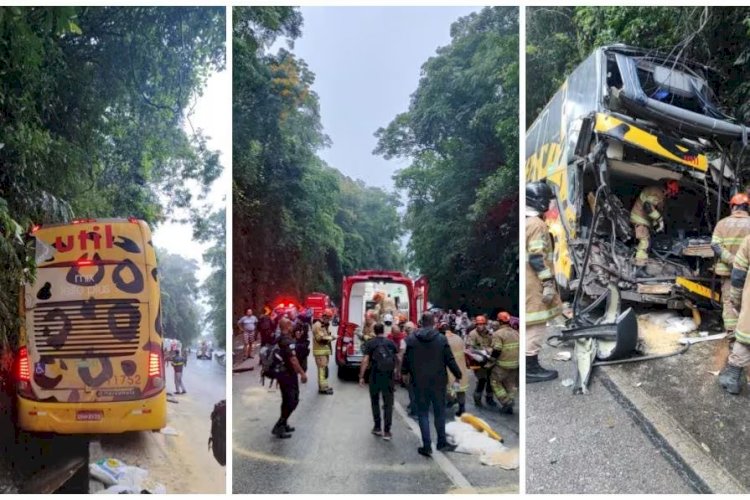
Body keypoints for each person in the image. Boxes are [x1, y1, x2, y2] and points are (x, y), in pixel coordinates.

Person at [402, 311, 462, 458]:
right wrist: (458, 374)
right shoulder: (441, 339)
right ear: (434, 322)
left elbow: (406, 359)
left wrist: (404, 373)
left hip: (419, 382)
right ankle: (441, 442)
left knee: (423, 413)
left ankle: (427, 446)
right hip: (438, 382)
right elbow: (450, 359)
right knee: (439, 412)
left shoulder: (411, 339)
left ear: (421, 323)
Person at [526, 181, 562, 383]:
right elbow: (537, 257)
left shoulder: (527, 222)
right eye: (547, 200)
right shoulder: (537, 225)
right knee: (537, 324)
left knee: (531, 323)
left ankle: (529, 365)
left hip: (528, 282)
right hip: (534, 283)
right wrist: (548, 282)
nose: (549, 204)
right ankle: (530, 368)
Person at [712, 192, 750, 338]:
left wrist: (731, 260)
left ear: (733, 206)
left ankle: (732, 334)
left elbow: (715, 245)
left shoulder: (722, 223)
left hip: (727, 272)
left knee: (729, 302)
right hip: (747, 273)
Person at [630, 180, 679, 274]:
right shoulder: (657, 193)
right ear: (669, 190)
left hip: (641, 219)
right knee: (645, 241)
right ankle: (639, 266)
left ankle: (638, 263)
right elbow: (648, 206)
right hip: (640, 219)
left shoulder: (656, 192)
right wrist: (659, 219)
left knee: (646, 241)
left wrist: (656, 224)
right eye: (671, 193)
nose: (670, 196)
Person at [359, 323, 398, 440]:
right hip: (388, 376)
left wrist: (361, 376)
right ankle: (387, 431)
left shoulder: (370, 343)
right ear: (383, 330)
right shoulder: (390, 343)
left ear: (374, 331)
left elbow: (365, 360)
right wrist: (398, 372)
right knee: (388, 403)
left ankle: (377, 428)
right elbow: (398, 358)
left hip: (375, 376)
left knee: (375, 401)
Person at [273, 318, 308, 438]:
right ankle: (279, 425)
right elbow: (293, 360)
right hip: (287, 375)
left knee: (287, 400)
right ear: (287, 326)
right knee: (292, 400)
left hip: (283, 374)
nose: (293, 326)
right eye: (291, 325)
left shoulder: (281, 338)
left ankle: (283, 423)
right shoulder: (286, 340)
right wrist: (302, 373)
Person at [488, 312, 519, 414]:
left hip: (503, 365)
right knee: (510, 384)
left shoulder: (498, 334)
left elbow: (497, 349)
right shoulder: (515, 332)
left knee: (495, 382)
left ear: (499, 321)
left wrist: (490, 361)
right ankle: (510, 402)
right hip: (515, 364)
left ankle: (506, 402)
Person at [465, 315, 496, 408]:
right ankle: (477, 399)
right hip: (478, 360)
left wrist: (488, 351)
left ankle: (490, 398)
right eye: (478, 324)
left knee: (491, 380)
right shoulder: (472, 334)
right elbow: (469, 348)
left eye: (482, 324)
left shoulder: (489, 334)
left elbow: (494, 345)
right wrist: (479, 352)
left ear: (485, 324)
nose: (480, 326)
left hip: (489, 359)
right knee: (482, 380)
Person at [442, 322, 470, 416]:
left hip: (450, 368)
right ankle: (462, 408)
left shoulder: (443, 339)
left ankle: (452, 400)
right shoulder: (458, 338)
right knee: (460, 389)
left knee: (450, 388)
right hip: (461, 367)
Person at [312, 308, 337, 395]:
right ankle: (322, 389)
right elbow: (321, 339)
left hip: (324, 351)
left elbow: (326, 335)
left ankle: (325, 386)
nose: (329, 320)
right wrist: (333, 337)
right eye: (329, 318)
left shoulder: (324, 325)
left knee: (324, 370)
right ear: (325, 316)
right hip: (320, 352)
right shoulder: (317, 325)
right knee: (322, 370)